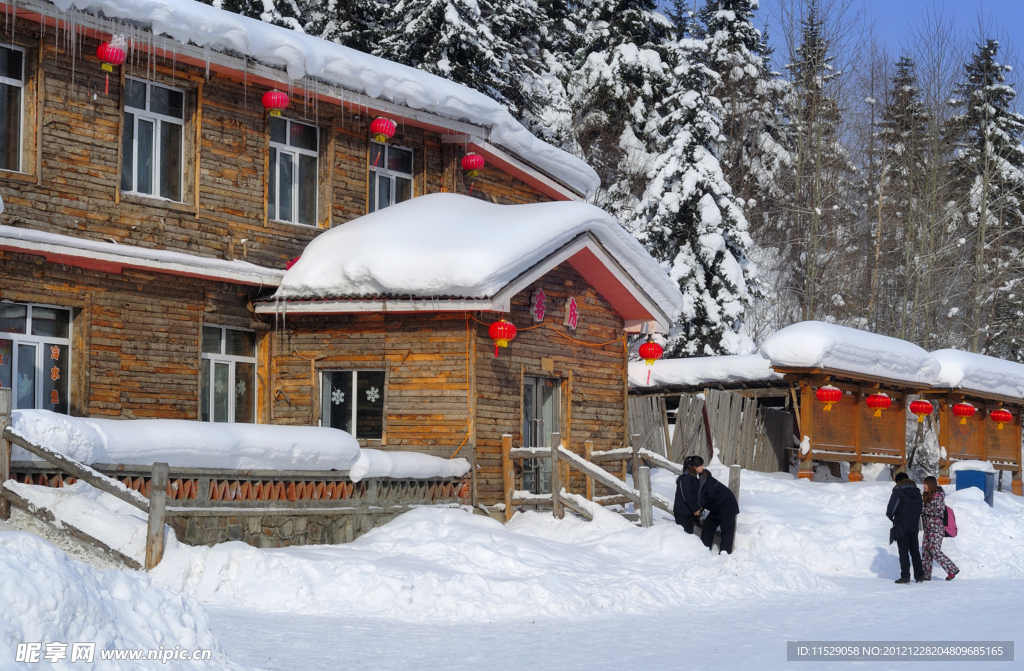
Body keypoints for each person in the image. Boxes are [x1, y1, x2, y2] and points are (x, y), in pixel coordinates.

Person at [886, 472, 924, 584]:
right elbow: (920, 508)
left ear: (898, 481)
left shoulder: (898, 491)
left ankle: (905, 576)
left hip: (901, 525)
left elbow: (890, 510)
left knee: (903, 552)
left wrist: (893, 518)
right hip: (914, 525)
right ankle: (919, 575)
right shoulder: (917, 492)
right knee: (915, 551)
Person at [921, 476, 959, 581]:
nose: (924, 486)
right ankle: (925, 574)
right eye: (924, 484)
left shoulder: (938, 496)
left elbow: (939, 511)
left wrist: (924, 510)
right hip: (928, 528)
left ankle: (952, 569)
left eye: (926, 484)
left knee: (934, 551)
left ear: (931, 485)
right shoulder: (926, 496)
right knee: (926, 551)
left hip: (937, 528)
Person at [700, 466, 740, 554]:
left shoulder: (707, 481)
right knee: (708, 526)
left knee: (727, 531)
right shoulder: (704, 481)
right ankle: (704, 549)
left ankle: (725, 554)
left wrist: (701, 507)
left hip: (728, 505)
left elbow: (711, 497)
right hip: (717, 507)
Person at [673, 456, 707, 535]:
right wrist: (695, 509)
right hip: (682, 513)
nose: (703, 467)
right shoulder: (685, 479)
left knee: (689, 535)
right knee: (684, 535)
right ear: (694, 467)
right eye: (701, 465)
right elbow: (688, 496)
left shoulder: (693, 478)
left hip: (689, 512)